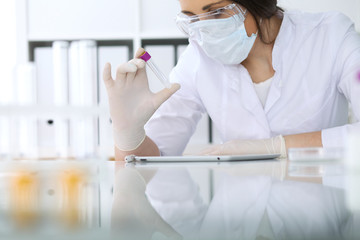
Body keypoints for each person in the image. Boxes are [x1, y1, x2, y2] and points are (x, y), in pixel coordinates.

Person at [103, 0, 360, 161]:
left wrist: (275, 146)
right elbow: (155, 161)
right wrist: (128, 134)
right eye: (192, 18)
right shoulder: (197, 58)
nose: (204, 30)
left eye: (216, 13)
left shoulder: (330, 35)